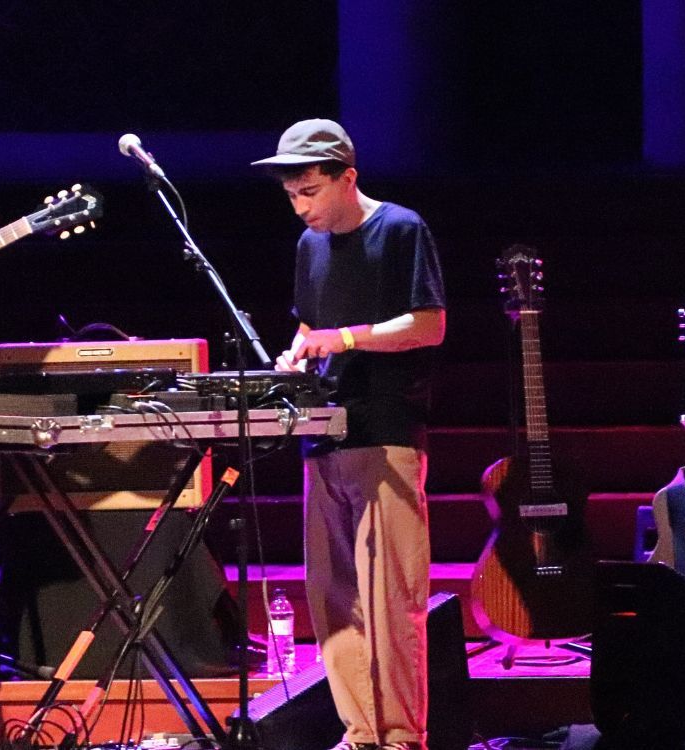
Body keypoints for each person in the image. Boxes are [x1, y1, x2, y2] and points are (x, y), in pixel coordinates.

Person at [253, 119, 446, 750]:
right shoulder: (309, 249)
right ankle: (360, 732)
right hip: (324, 435)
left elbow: (428, 324)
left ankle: (400, 737)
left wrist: (347, 337)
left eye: (310, 191)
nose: (300, 206)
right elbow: (313, 328)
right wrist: (300, 355)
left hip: (384, 430)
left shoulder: (399, 229)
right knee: (333, 598)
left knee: (390, 599)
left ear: (347, 177)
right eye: (291, 195)